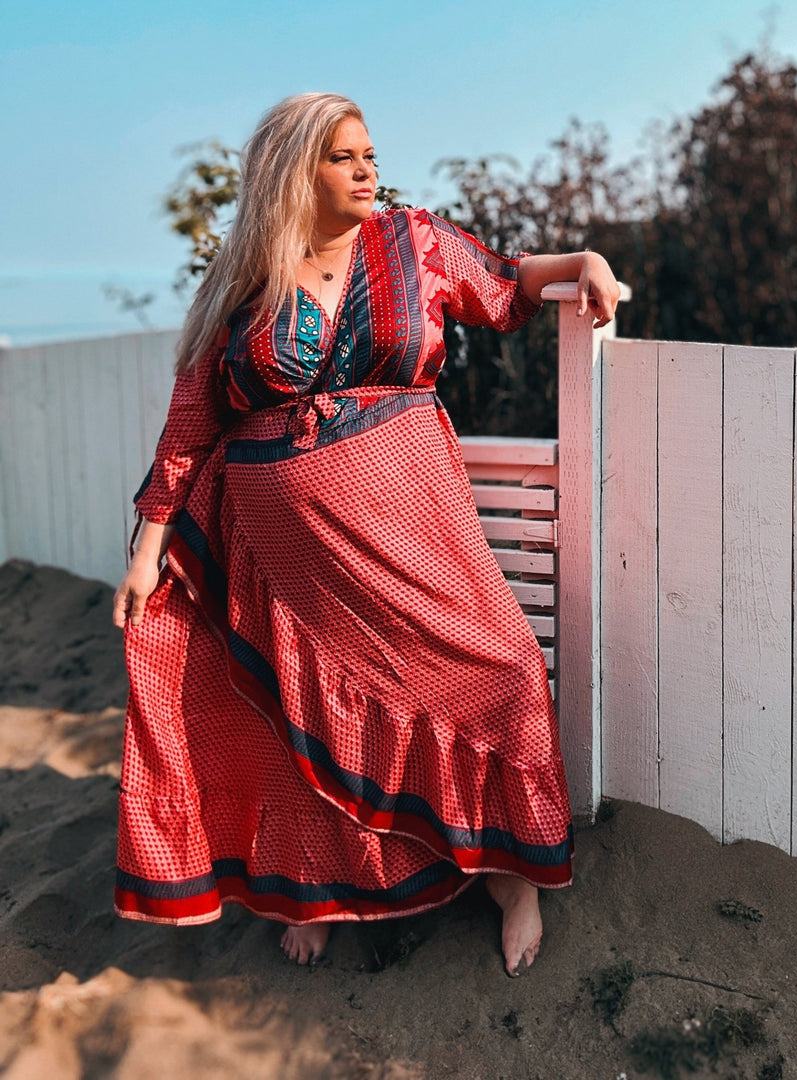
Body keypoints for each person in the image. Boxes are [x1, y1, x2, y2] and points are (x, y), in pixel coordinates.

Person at [111, 92, 620, 977]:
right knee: (300, 720)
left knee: (497, 666)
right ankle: (315, 890)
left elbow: (503, 284)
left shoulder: (410, 241)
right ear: (291, 172)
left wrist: (585, 261)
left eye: (369, 154)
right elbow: (191, 421)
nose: (366, 170)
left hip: (410, 521)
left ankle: (512, 875)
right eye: (343, 156)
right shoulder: (241, 280)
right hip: (284, 558)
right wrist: (149, 546)